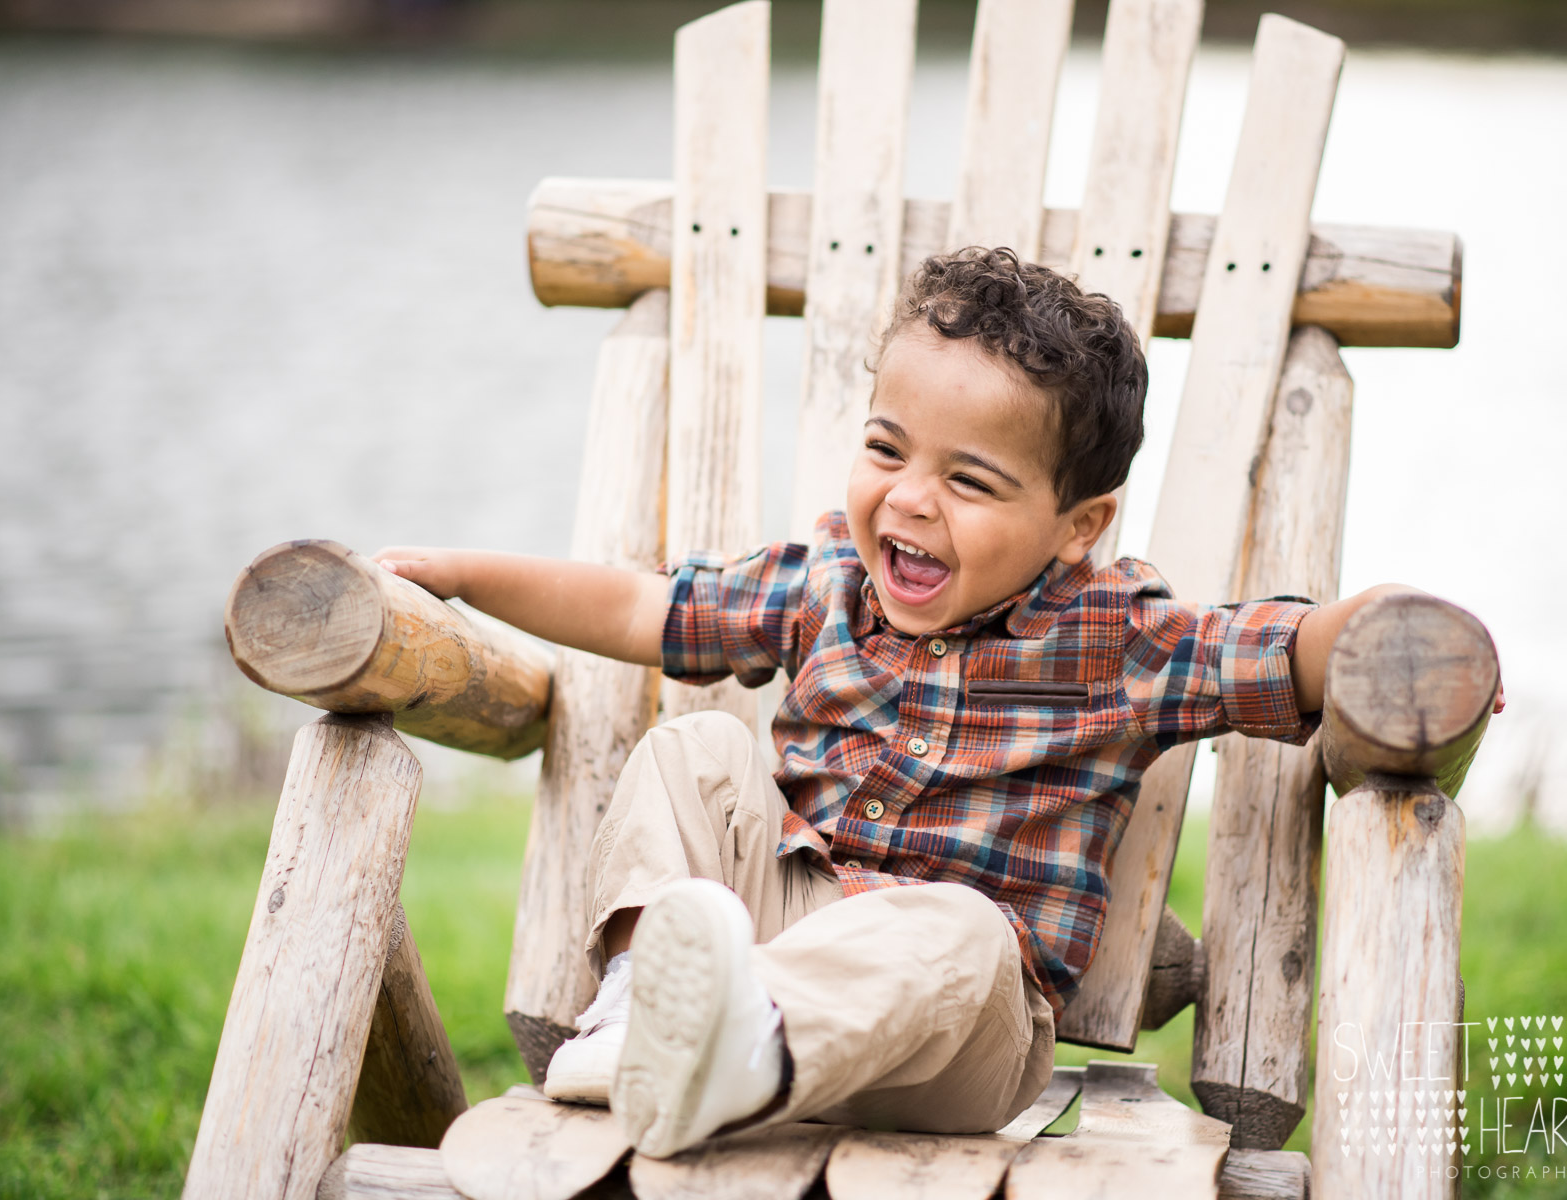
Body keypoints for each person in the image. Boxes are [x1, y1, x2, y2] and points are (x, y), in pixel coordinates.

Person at [372, 246, 1503, 1160]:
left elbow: (1292, 649)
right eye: (886, 449)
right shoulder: (821, 583)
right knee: (700, 746)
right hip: (783, 930)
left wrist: (1418, 629)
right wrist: (468, 576)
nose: (910, 499)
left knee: (961, 931)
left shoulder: (1119, 639)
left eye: (970, 481)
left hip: (954, 1031)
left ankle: (734, 1045)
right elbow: (640, 609)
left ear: (1077, 525)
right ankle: (633, 1013)